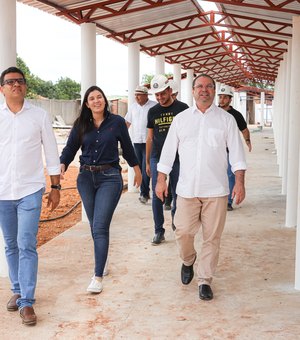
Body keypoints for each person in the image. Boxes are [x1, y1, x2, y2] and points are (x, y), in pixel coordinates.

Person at [155, 74, 246, 300]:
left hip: (216, 190)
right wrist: (160, 178)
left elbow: (237, 154)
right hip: (187, 189)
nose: (204, 90)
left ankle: (205, 280)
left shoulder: (226, 120)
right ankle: (188, 260)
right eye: (199, 87)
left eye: (208, 87)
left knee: (211, 238)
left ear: (214, 91)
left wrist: (240, 182)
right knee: (183, 231)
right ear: (193, 91)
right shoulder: (182, 119)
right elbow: (168, 152)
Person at [60, 85, 141, 294]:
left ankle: (97, 276)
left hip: (110, 178)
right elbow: (70, 148)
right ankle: (102, 260)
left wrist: (137, 170)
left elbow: (128, 148)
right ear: (87, 104)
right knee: (94, 224)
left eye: (99, 97)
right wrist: (62, 164)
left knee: (100, 226)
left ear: (104, 100)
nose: (96, 101)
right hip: (86, 178)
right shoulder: (81, 124)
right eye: (92, 98)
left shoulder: (117, 122)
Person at [0, 66, 61, 325]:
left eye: (20, 81)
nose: (16, 85)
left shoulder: (39, 116)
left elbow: (51, 150)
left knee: (26, 244)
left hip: (30, 190)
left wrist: (56, 187)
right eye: (10, 82)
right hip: (2, 191)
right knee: (11, 244)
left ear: (25, 87)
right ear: (1, 88)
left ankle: (27, 302)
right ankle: (17, 289)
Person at [146, 75, 188, 245]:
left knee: (178, 193)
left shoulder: (183, 108)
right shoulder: (153, 111)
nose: (160, 98)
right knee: (157, 195)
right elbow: (150, 138)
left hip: (179, 158)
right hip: (158, 157)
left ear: (170, 90)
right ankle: (158, 230)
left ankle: (176, 221)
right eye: (156, 95)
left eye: (162, 94)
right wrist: (148, 161)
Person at [218, 84, 252, 211]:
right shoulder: (213, 112)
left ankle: (228, 201)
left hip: (230, 151)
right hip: (216, 151)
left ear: (230, 99)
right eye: (220, 97)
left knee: (231, 175)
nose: (221, 100)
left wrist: (248, 141)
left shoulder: (235, 115)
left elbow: (244, 129)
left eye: (224, 97)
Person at [125, 85, 156, 204]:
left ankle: (144, 193)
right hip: (136, 142)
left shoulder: (153, 106)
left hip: (150, 142)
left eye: (139, 95)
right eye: (135, 95)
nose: (136, 97)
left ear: (145, 95)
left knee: (146, 168)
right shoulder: (133, 107)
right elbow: (127, 123)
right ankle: (145, 192)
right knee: (138, 167)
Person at [163, 79, 189, 211]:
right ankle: (168, 200)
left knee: (176, 180)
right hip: (165, 149)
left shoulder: (183, 108)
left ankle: (173, 205)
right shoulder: (158, 110)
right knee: (166, 177)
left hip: (179, 152)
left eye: (173, 95)